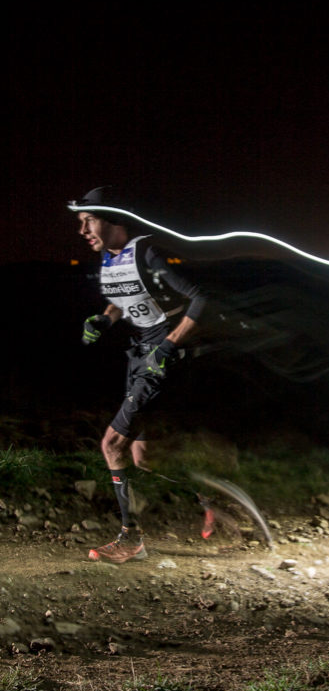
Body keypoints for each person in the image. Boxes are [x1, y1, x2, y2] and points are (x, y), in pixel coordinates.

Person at [69, 186, 207, 563]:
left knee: (111, 445)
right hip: (139, 357)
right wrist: (105, 318)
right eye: (80, 223)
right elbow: (123, 299)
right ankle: (211, 498)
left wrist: (168, 347)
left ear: (111, 219)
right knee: (142, 457)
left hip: (160, 359)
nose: (82, 231)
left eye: (88, 221)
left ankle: (131, 538)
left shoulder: (145, 250)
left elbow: (200, 299)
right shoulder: (111, 258)